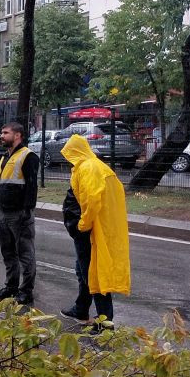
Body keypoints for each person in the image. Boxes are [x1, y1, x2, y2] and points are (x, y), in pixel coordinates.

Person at [59, 135, 130, 329]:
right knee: (83, 272)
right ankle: (81, 309)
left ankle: (105, 322)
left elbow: (92, 200)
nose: (67, 158)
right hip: (98, 229)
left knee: (96, 275)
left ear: (75, 152)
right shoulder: (96, 166)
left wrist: (83, 224)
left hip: (91, 231)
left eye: (69, 153)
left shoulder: (88, 168)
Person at [0, 121, 39, 305]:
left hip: (19, 214)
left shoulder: (28, 156)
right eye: (1, 132)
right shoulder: (5, 158)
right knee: (8, 253)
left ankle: (26, 291)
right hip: (3, 213)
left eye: (5, 133)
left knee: (25, 254)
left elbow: (32, 187)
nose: (1, 136)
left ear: (17, 135)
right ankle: (10, 288)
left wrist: (27, 210)